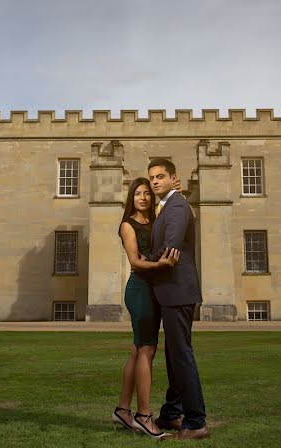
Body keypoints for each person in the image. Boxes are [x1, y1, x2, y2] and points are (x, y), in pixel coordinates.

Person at [112, 177, 180, 438]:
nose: (143, 197)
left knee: (136, 349)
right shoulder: (127, 225)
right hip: (139, 289)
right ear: (132, 197)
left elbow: (171, 207)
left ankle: (122, 410)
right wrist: (161, 266)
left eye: (147, 194)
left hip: (152, 290)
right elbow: (136, 262)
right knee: (147, 350)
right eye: (138, 193)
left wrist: (175, 192)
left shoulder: (154, 220)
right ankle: (143, 415)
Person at [148, 158, 209, 440]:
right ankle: (172, 413)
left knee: (181, 354)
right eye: (152, 178)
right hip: (172, 290)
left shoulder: (177, 206)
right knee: (174, 354)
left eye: (161, 176)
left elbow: (170, 246)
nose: (155, 181)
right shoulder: (167, 207)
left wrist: (140, 260)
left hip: (177, 289)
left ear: (174, 178)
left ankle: (196, 421)